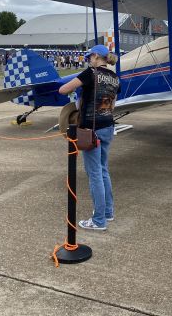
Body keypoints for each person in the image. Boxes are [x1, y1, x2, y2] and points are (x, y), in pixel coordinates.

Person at [58, 44, 120, 231]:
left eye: (88, 58)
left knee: (94, 175)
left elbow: (63, 90)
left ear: (95, 57)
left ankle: (99, 220)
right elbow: (113, 105)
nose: (87, 61)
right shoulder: (115, 78)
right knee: (103, 171)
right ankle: (108, 212)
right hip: (108, 126)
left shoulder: (90, 73)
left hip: (91, 130)